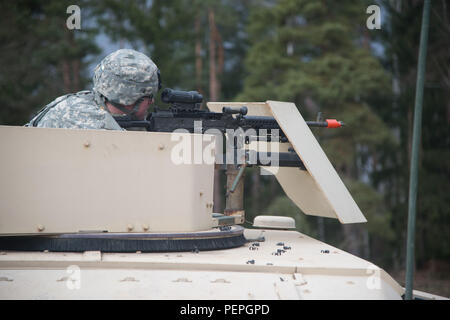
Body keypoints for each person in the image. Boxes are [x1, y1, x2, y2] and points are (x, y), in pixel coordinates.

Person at [26, 49, 160, 130]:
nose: (152, 101)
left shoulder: (90, 103)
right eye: (149, 97)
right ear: (128, 97)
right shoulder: (81, 116)